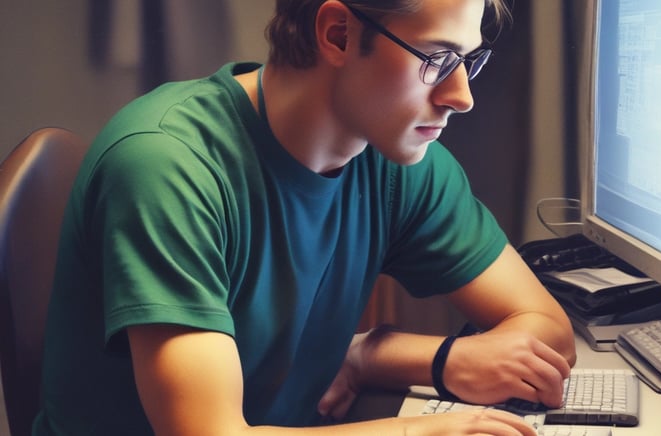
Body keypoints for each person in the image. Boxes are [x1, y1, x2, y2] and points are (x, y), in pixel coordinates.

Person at [33, 0, 576, 434]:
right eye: (436, 58)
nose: (462, 97)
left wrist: (379, 356)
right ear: (338, 33)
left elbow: (547, 340)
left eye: (469, 61)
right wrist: (421, 432)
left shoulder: (396, 161)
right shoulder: (167, 164)